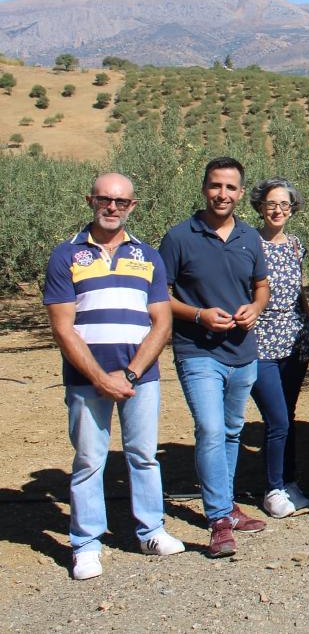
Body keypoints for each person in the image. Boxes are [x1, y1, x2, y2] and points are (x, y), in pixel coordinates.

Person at [45, 173, 184, 580]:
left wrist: (131, 372)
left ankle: (151, 530)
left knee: (143, 456)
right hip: (86, 378)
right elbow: (62, 327)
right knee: (89, 459)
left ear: (132, 207)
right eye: (105, 199)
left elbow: (161, 322)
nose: (112, 207)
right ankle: (86, 544)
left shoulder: (148, 256)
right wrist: (101, 378)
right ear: (91, 200)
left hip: (141, 376)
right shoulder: (66, 255)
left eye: (121, 202)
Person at [159, 157, 270, 558]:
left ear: (241, 193)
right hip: (197, 352)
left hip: (242, 351)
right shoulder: (178, 238)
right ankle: (220, 518)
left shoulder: (248, 237)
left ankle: (225, 505)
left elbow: (261, 287)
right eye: (215, 186)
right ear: (204, 188)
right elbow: (161, 296)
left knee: (231, 430)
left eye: (230, 188)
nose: (222, 194)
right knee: (209, 428)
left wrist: (256, 308)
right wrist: (199, 315)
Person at [249, 178, 309, 519]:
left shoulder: (295, 246)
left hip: (294, 339)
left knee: (288, 415)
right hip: (260, 341)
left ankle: (289, 481)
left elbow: (298, 294)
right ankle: (273, 487)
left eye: (285, 204)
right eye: (271, 204)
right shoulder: (248, 243)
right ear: (260, 207)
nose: (278, 210)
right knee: (276, 417)